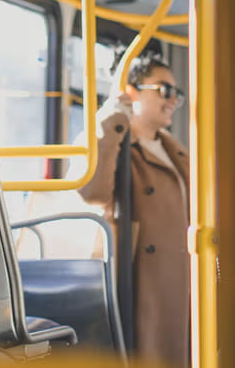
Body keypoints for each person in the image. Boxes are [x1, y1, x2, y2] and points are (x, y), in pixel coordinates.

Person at [75, 54, 190, 367]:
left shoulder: (172, 148)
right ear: (132, 90)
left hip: (181, 277)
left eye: (176, 94)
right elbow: (93, 192)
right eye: (164, 90)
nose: (173, 101)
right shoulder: (110, 141)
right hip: (141, 278)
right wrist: (112, 122)